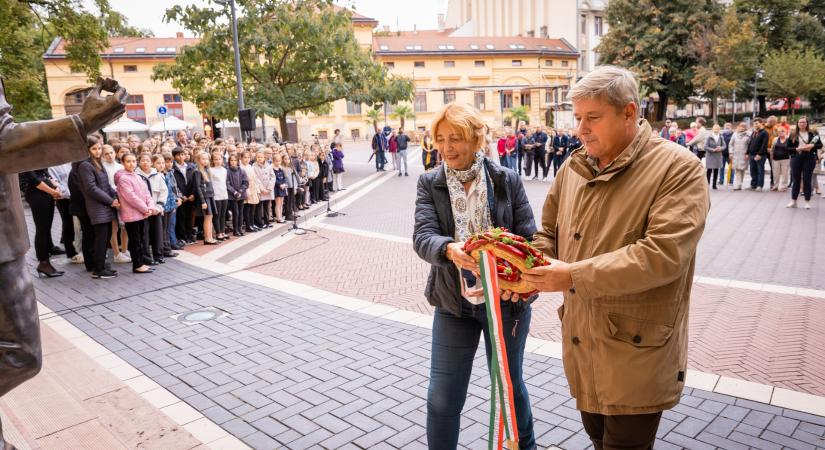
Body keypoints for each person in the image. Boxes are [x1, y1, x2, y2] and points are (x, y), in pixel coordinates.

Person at [522, 66, 709, 450]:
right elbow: (548, 237)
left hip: (636, 351)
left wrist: (571, 275)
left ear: (629, 112)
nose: (580, 129)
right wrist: (513, 271)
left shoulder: (678, 167)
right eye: (577, 118)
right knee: (597, 440)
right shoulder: (574, 166)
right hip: (583, 344)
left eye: (593, 117)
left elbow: (663, 255)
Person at [413, 102, 537, 449]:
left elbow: (530, 239)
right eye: (440, 139)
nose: (447, 147)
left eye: (456, 138)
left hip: (506, 306)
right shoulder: (430, 183)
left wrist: (523, 287)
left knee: (511, 389)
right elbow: (423, 237)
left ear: (476, 139)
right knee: (442, 397)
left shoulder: (505, 180)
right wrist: (448, 249)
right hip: (454, 306)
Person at [78, 136, 120, 279]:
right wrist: (110, 201)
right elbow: (91, 188)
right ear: (87, 150)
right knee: (101, 238)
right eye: (94, 149)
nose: (98, 151)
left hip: (105, 205)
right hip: (97, 207)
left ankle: (101, 266)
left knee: (105, 237)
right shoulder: (85, 165)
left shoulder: (97, 163)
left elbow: (106, 185)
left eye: (99, 148)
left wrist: (115, 197)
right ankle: (98, 269)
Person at [115, 153, 155, 274]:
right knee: (135, 240)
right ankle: (137, 265)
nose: (131, 163)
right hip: (132, 215)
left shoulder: (137, 176)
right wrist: (145, 209)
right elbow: (131, 197)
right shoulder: (123, 179)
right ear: (122, 163)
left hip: (142, 213)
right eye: (128, 161)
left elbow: (147, 193)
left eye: (133, 161)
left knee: (141, 239)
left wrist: (150, 207)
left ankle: (141, 263)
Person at [20, 169, 64, 277]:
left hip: (45, 193)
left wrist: (56, 186)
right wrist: (52, 191)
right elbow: (33, 180)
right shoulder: (25, 158)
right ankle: (43, 263)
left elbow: (46, 173)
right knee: (42, 229)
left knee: (46, 228)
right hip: (37, 194)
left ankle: (46, 260)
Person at [101, 145, 130, 264]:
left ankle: (124, 250)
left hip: (122, 198)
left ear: (115, 153)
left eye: (111, 152)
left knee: (125, 226)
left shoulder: (120, 166)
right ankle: (116, 253)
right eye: (106, 153)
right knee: (114, 228)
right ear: (103, 155)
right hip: (110, 200)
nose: (110, 155)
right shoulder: (101, 168)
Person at [136, 153, 167, 265]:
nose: (145, 163)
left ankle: (158, 255)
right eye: (143, 160)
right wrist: (144, 208)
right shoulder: (136, 176)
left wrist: (159, 206)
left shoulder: (157, 175)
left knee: (157, 233)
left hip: (156, 209)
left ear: (151, 162)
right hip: (143, 211)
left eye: (147, 160)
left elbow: (164, 191)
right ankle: (147, 258)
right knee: (144, 235)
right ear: (138, 162)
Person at [49, 162, 81, 264]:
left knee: (79, 224)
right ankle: (71, 252)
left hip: (76, 196)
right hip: (64, 198)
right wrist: (65, 192)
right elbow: (54, 182)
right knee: (68, 224)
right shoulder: (53, 165)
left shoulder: (72, 162)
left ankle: (78, 249)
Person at [787, 117, 823, 209]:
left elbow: (820, 145)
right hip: (796, 157)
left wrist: (813, 145)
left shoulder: (813, 133)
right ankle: (793, 201)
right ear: (797, 123)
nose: (802, 124)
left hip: (809, 158)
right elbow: (787, 148)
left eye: (804, 122)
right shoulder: (793, 134)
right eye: (800, 122)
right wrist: (796, 149)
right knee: (796, 180)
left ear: (807, 123)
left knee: (807, 179)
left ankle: (807, 201)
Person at [193, 151, 218, 243]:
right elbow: (198, 187)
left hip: (210, 196)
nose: (205, 160)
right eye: (203, 159)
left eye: (207, 158)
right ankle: (207, 238)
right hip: (205, 198)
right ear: (198, 160)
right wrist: (203, 201)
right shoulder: (197, 171)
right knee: (207, 217)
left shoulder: (207, 170)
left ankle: (210, 237)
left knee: (210, 217)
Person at [161, 153, 183, 253]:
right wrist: (175, 200)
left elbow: (175, 187)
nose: (169, 164)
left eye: (171, 162)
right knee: (169, 224)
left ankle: (173, 241)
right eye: (167, 162)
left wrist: (179, 197)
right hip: (168, 203)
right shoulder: (163, 175)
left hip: (175, 201)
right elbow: (167, 190)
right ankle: (171, 243)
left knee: (173, 223)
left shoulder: (171, 173)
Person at [226, 154, 249, 236]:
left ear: (238, 161)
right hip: (232, 196)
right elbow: (227, 183)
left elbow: (245, 182)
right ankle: (235, 229)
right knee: (235, 212)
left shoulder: (242, 171)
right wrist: (234, 192)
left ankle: (240, 228)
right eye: (231, 160)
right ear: (229, 162)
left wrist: (240, 191)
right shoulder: (227, 171)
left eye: (235, 160)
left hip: (241, 195)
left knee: (241, 212)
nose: (233, 162)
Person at [210, 152, 230, 240]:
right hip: (216, 195)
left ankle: (222, 231)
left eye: (219, 159)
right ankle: (218, 233)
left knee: (223, 214)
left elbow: (225, 182)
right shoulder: (211, 170)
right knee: (217, 214)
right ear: (213, 161)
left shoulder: (224, 170)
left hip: (224, 194)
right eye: (216, 159)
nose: (218, 161)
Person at [241, 151, 261, 232]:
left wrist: (257, 190)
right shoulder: (241, 167)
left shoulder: (250, 166)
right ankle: (248, 225)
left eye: (248, 157)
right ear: (241, 158)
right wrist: (246, 190)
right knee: (247, 208)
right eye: (245, 157)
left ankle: (252, 224)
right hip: (246, 189)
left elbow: (255, 179)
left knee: (253, 208)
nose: (247, 159)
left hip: (253, 188)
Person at [747, 118, 769, 191]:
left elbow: (764, 145)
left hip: (760, 155)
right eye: (754, 124)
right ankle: (753, 185)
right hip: (751, 154)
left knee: (760, 170)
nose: (755, 125)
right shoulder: (754, 132)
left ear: (761, 123)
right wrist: (747, 153)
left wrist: (759, 154)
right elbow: (750, 143)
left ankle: (759, 185)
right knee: (752, 170)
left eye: (756, 123)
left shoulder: (764, 133)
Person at [729, 122, 751, 191]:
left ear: (746, 128)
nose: (742, 128)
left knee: (742, 169)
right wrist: (731, 153)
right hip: (735, 155)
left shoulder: (748, 135)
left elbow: (750, 145)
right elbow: (731, 144)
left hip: (744, 155)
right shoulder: (735, 134)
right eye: (740, 126)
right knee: (737, 169)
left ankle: (740, 183)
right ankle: (739, 184)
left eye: (743, 127)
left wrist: (748, 153)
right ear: (738, 127)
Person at [771, 127, 791, 193]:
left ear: (785, 132)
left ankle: (784, 186)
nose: (781, 133)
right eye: (779, 132)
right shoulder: (775, 139)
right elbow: (772, 149)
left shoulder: (788, 139)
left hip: (785, 159)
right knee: (776, 173)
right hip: (776, 159)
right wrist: (772, 157)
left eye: (782, 131)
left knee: (785, 173)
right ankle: (776, 185)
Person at [704, 124, 724, 189]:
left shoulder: (721, 137)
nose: (716, 130)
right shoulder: (709, 137)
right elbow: (705, 147)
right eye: (715, 129)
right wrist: (713, 150)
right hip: (710, 156)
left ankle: (714, 185)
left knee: (716, 170)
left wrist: (720, 148)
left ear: (719, 130)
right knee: (709, 170)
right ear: (712, 129)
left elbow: (724, 146)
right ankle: (707, 184)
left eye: (717, 129)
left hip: (718, 156)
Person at [272, 154, 287, 223]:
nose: (278, 162)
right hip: (277, 188)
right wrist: (279, 184)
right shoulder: (272, 169)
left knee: (281, 203)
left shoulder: (281, 169)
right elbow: (273, 179)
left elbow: (284, 177)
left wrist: (284, 183)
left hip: (282, 187)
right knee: (277, 203)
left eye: (279, 161)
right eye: (276, 161)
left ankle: (280, 216)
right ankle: (278, 218)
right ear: (273, 161)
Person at [720, 122, 734, 186]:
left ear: (731, 127)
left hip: (730, 154)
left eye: (729, 126)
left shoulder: (733, 134)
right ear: (724, 127)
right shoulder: (721, 135)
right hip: (722, 154)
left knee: (731, 168)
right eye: (726, 126)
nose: (727, 127)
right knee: (721, 168)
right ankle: (721, 180)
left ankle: (731, 181)